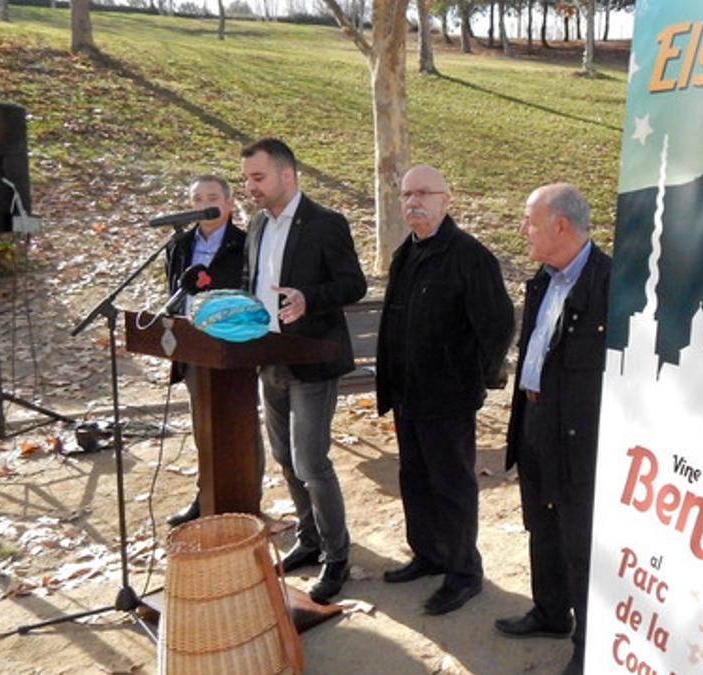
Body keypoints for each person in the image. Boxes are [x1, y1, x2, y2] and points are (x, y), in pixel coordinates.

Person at [376, 165, 515, 616]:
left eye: (423, 193)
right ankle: (429, 555)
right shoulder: (406, 253)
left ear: (445, 200)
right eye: (406, 194)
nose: (412, 202)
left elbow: (498, 326)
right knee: (414, 478)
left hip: (448, 396)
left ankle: (463, 573)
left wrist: (476, 376)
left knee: (451, 484)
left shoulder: (469, 256)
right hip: (407, 393)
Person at [240, 138, 367, 604]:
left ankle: (337, 556)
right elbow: (251, 283)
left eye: (258, 178)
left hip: (313, 359)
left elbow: (354, 283)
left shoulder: (326, 224)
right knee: (286, 459)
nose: (250, 187)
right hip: (266, 358)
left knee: (312, 462)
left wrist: (308, 297)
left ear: (286, 175)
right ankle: (310, 539)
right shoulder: (256, 224)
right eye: (246, 179)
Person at [494, 184, 610, 675]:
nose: (523, 231)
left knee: (579, 539)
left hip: (578, 433)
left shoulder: (610, 284)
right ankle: (549, 612)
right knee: (540, 524)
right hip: (534, 417)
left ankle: (589, 646)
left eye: (530, 221)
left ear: (561, 226)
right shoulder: (542, 280)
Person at [162, 175, 251, 527]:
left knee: (239, 426)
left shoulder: (245, 244)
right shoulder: (179, 246)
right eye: (196, 198)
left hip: (233, 348)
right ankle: (206, 495)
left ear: (229, 204)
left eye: (211, 196)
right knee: (203, 428)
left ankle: (246, 497)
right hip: (193, 348)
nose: (203, 204)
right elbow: (173, 293)